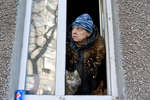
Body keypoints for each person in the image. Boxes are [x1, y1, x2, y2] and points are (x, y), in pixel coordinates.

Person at [66, 13, 106, 95]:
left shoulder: (99, 50)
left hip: (93, 95)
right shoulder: (66, 49)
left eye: (79, 29)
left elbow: (105, 75)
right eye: (73, 28)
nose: (74, 32)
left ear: (89, 33)